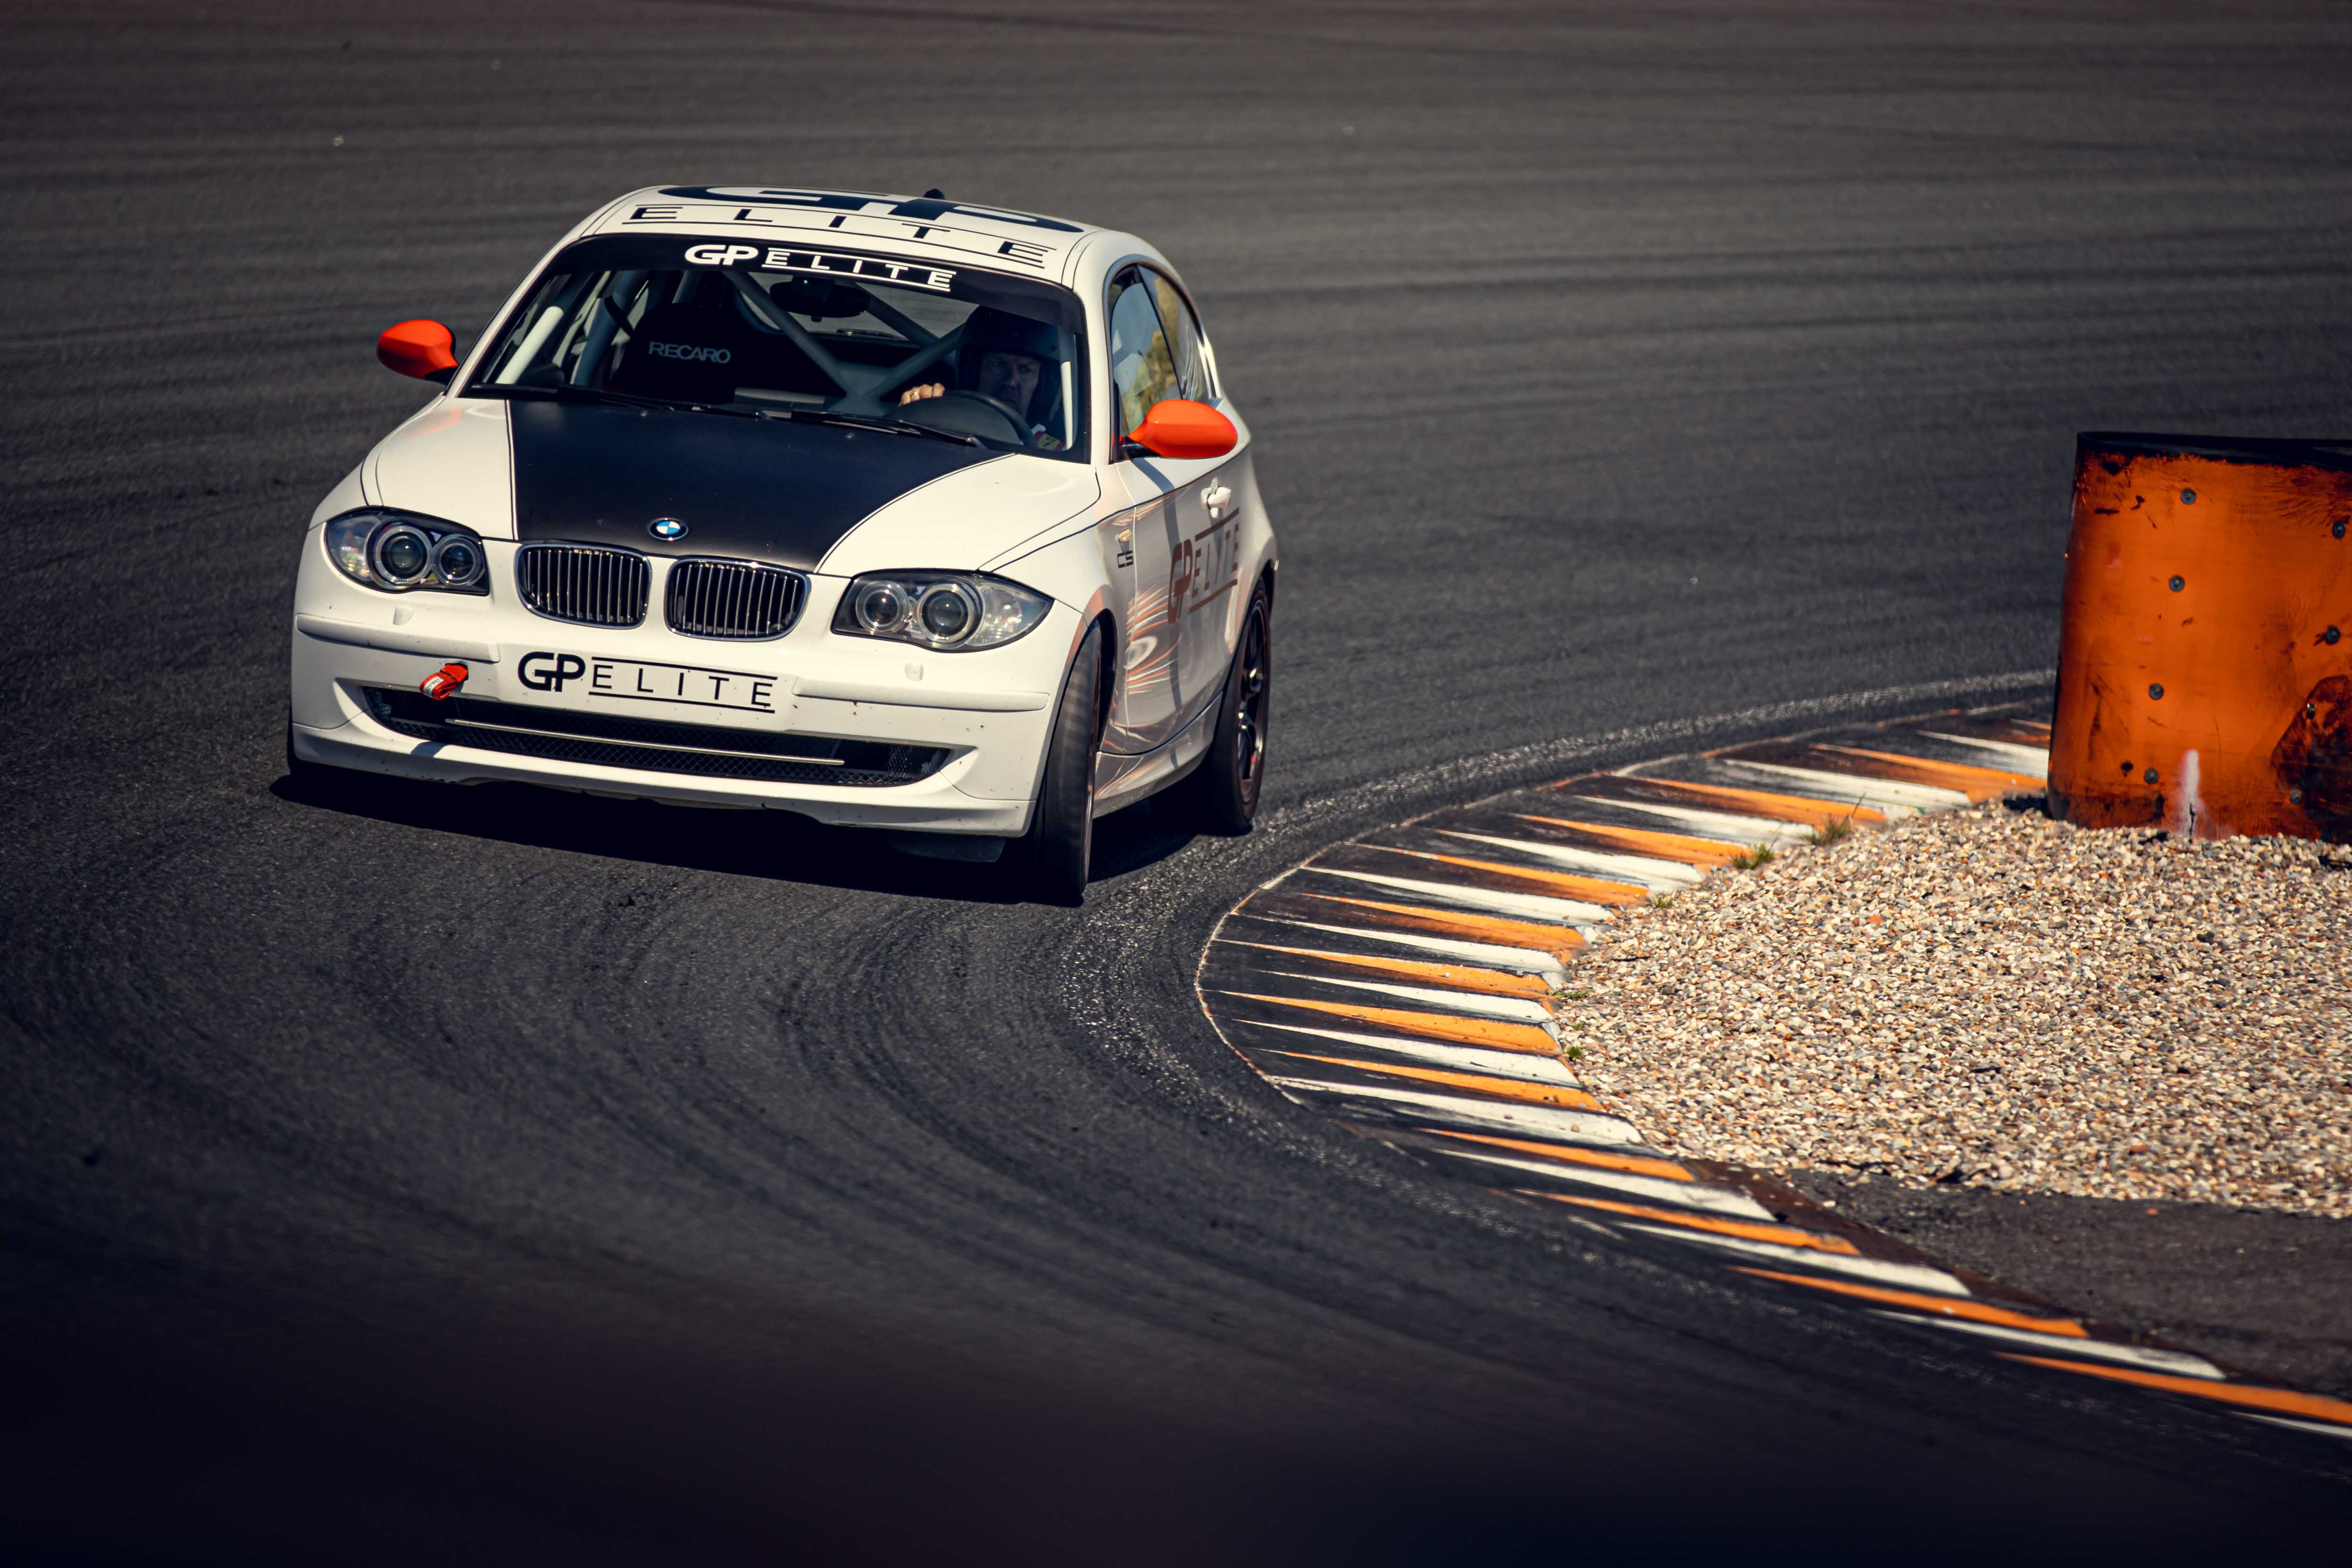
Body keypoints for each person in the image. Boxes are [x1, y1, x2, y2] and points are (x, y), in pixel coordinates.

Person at [898, 309, 1066, 450]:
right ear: (973, 371)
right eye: (999, 365)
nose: (1011, 381)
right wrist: (914, 415)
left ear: (1045, 385)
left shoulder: (1059, 457)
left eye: (1025, 370)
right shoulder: (940, 424)